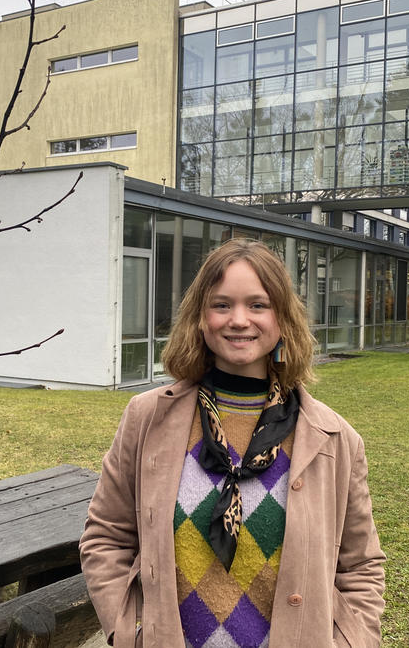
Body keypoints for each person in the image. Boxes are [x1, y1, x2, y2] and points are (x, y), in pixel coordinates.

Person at [79, 239, 385, 648]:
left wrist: (351, 641)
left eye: (258, 305)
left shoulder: (334, 439)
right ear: (201, 318)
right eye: (222, 305)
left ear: (282, 319)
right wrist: (128, 632)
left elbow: (361, 567)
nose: (239, 320)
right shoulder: (147, 419)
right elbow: (106, 537)